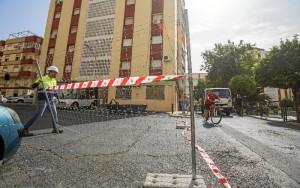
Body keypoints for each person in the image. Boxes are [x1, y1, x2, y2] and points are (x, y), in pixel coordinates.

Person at [21, 66, 64, 136]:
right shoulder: (42, 78)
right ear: (50, 72)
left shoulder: (54, 81)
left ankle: (55, 127)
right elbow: (33, 86)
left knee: (54, 113)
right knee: (39, 114)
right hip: (43, 99)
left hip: (51, 100)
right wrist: (39, 82)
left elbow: (54, 91)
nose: (56, 75)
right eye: (55, 73)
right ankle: (25, 129)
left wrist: (56, 97)